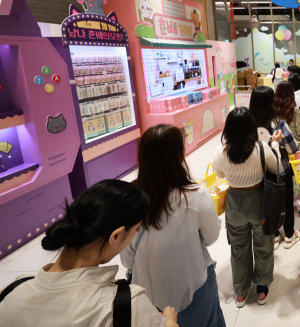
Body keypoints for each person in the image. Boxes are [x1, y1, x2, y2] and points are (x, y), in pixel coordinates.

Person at [0, 180, 178, 327]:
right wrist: (169, 322)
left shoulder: (11, 292)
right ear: (115, 236)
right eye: (136, 229)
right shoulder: (126, 305)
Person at [120, 125, 224, 327]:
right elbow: (211, 237)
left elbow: (126, 259)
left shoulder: (129, 201)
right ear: (178, 155)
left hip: (148, 299)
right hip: (196, 290)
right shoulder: (196, 195)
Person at [212, 107, 282, 307]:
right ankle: (261, 289)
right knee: (263, 245)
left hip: (234, 203)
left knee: (238, 248)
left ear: (229, 129)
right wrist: (275, 145)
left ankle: (241, 292)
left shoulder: (220, 152)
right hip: (260, 201)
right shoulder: (261, 148)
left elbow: (219, 176)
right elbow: (276, 167)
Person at [249, 87, 300, 250]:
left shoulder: (249, 122)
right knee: (285, 201)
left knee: (268, 203)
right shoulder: (278, 123)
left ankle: (274, 235)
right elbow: (293, 148)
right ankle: (289, 235)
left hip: (259, 172)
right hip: (281, 169)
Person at [275, 81, 300, 216]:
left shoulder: (273, 110)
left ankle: (286, 205)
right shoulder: (295, 110)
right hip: (294, 147)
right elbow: (298, 130)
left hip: (278, 149)